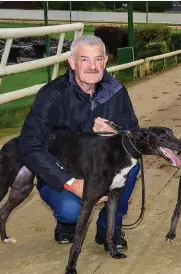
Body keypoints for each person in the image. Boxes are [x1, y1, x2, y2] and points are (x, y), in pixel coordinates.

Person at [18, 35, 141, 249]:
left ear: (105, 61)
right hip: (63, 171)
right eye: (85, 60)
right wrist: (70, 182)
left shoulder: (117, 91)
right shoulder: (52, 94)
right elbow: (29, 145)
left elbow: (136, 137)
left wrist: (117, 134)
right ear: (72, 62)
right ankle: (66, 223)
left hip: (102, 169)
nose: (92, 67)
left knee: (131, 165)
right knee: (71, 211)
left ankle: (108, 228)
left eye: (98, 59)